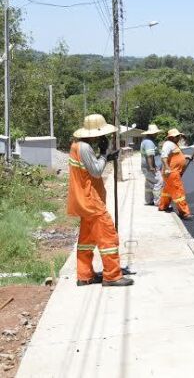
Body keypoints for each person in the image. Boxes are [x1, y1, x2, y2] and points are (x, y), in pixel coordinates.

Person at [67, 114, 133, 287]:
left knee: (86, 241)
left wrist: (105, 157)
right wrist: (104, 154)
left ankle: (85, 275)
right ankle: (112, 276)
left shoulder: (77, 146)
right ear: (93, 134)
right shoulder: (84, 147)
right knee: (108, 237)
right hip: (91, 201)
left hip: (84, 201)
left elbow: (89, 169)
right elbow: (96, 171)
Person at [158, 128, 193, 220]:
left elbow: (175, 155)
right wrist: (167, 168)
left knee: (168, 190)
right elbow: (164, 157)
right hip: (171, 172)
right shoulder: (168, 144)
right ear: (173, 137)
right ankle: (184, 212)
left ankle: (163, 206)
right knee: (178, 191)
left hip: (173, 172)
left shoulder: (173, 144)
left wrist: (186, 156)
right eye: (178, 136)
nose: (179, 138)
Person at [140, 124, 163, 206]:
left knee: (149, 183)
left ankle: (148, 200)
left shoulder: (146, 140)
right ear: (152, 133)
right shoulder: (149, 142)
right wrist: (152, 167)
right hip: (150, 167)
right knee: (158, 182)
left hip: (146, 167)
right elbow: (150, 155)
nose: (157, 134)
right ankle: (158, 202)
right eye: (155, 133)